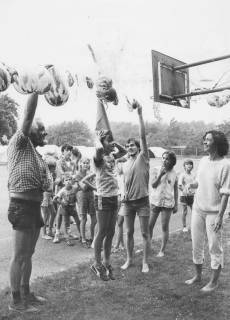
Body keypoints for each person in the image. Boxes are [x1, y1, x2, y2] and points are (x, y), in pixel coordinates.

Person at [7, 93, 50, 313]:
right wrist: (36, 89)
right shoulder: (20, 141)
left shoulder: (35, 152)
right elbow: (28, 114)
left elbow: (45, 183)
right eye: (41, 128)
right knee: (20, 255)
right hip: (22, 206)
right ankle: (16, 302)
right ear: (29, 129)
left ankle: (26, 292)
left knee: (29, 254)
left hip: (34, 207)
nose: (45, 132)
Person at [185, 130, 230, 292]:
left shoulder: (225, 165)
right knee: (196, 244)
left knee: (214, 247)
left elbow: (225, 193)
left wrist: (219, 216)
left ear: (217, 143)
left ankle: (213, 281)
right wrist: (191, 185)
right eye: (204, 139)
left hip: (214, 213)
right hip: (198, 209)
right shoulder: (203, 160)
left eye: (208, 140)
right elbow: (199, 181)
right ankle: (197, 276)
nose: (204, 142)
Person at [90, 122, 126, 281]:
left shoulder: (111, 155)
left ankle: (106, 262)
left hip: (114, 196)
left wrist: (113, 143)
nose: (111, 143)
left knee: (111, 231)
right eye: (108, 140)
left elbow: (123, 151)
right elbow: (98, 149)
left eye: (112, 140)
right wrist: (98, 139)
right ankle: (96, 263)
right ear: (100, 141)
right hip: (102, 197)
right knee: (102, 231)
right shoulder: (97, 158)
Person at [120, 100, 150, 273]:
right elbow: (125, 182)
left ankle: (145, 262)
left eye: (132, 145)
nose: (130, 147)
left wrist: (139, 114)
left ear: (139, 148)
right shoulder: (125, 163)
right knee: (129, 232)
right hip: (128, 203)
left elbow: (143, 137)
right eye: (128, 145)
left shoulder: (142, 157)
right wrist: (123, 194)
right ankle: (129, 259)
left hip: (142, 201)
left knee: (145, 234)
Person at [149, 151, 178, 257]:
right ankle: (148, 247)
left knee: (164, 227)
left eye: (167, 158)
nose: (164, 160)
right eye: (163, 158)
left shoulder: (175, 173)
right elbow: (153, 185)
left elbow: (175, 189)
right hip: (155, 201)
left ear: (172, 161)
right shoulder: (156, 169)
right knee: (149, 226)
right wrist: (160, 174)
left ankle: (162, 250)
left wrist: (176, 204)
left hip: (168, 203)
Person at [53, 174, 81, 246]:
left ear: (72, 181)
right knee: (66, 223)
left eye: (69, 179)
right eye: (66, 180)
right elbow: (55, 199)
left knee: (78, 221)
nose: (68, 181)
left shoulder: (74, 188)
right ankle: (66, 238)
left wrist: (77, 180)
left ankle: (82, 236)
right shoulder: (63, 190)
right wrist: (61, 202)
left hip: (72, 208)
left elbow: (80, 187)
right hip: (64, 208)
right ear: (63, 182)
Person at [75, 157, 97, 247]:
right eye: (84, 163)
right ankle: (83, 239)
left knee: (94, 217)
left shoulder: (91, 173)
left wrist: (88, 181)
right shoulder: (78, 174)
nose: (85, 164)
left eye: (87, 163)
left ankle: (93, 237)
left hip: (91, 195)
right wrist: (90, 180)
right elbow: (83, 187)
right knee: (83, 218)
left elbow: (95, 186)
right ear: (80, 164)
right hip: (82, 196)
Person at [41, 157, 57, 239]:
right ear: (49, 167)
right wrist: (48, 190)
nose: (55, 168)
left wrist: (52, 192)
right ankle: (44, 233)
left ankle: (50, 230)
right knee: (46, 215)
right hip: (45, 196)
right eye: (53, 167)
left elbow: (50, 186)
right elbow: (43, 186)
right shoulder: (45, 175)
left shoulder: (50, 174)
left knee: (53, 213)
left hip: (49, 195)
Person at [178, 159, 196, 232]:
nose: (189, 165)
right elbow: (179, 185)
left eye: (190, 164)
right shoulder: (182, 175)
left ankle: (194, 225)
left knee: (194, 211)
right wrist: (185, 191)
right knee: (185, 212)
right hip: (184, 196)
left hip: (191, 196)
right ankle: (184, 226)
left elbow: (195, 185)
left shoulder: (193, 175)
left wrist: (193, 191)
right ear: (184, 166)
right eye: (187, 164)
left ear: (192, 166)